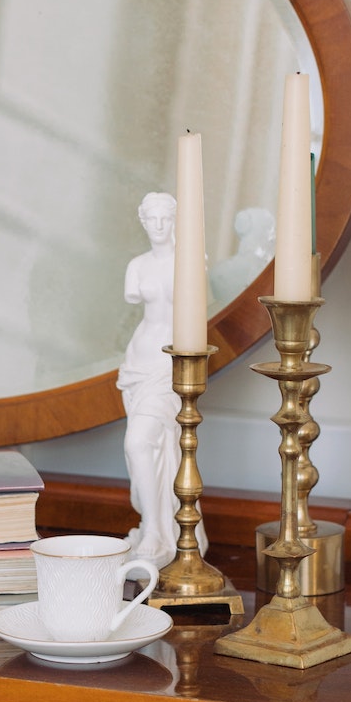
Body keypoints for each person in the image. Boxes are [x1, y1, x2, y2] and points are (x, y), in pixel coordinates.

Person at [118, 193, 206, 568]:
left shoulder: (191, 262)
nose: (157, 226)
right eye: (151, 219)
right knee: (143, 449)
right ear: (142, 221)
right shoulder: (137, 266)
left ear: (174, 221)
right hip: (139, 363)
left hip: (170, 365)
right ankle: (152, 526)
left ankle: (156, 530)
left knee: (140, 442)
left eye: (164, 219)